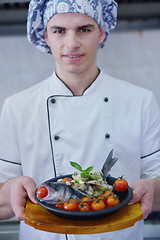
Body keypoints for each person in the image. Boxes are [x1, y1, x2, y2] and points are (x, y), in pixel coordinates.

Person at [0, 0, 160, 240]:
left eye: (84, 29)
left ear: (101, 34)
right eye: (59, 31)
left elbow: (157, 185)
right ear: (46, 36)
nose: (72, 43)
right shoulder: (17, 107)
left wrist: (153, 188)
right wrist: (11, 190)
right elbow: (2, 204)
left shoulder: (140, 101)